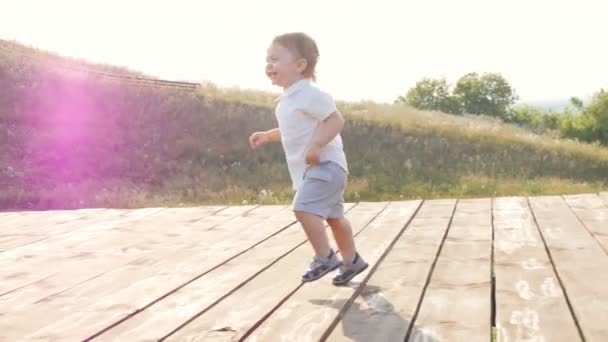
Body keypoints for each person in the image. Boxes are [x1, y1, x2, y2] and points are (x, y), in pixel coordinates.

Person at [249, 32, 367, 285]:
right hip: (318, 169)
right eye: (268, 59)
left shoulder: (310, 94)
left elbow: (335, 120)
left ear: (300, 65)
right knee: (334, 217)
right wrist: (269, 136)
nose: (269, 65)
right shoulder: (288, 100)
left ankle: (325, 257)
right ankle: (352, 260)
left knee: (303, 207)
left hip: (325, 165)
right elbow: (294, 131)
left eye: (275, 59)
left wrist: (316, 144)